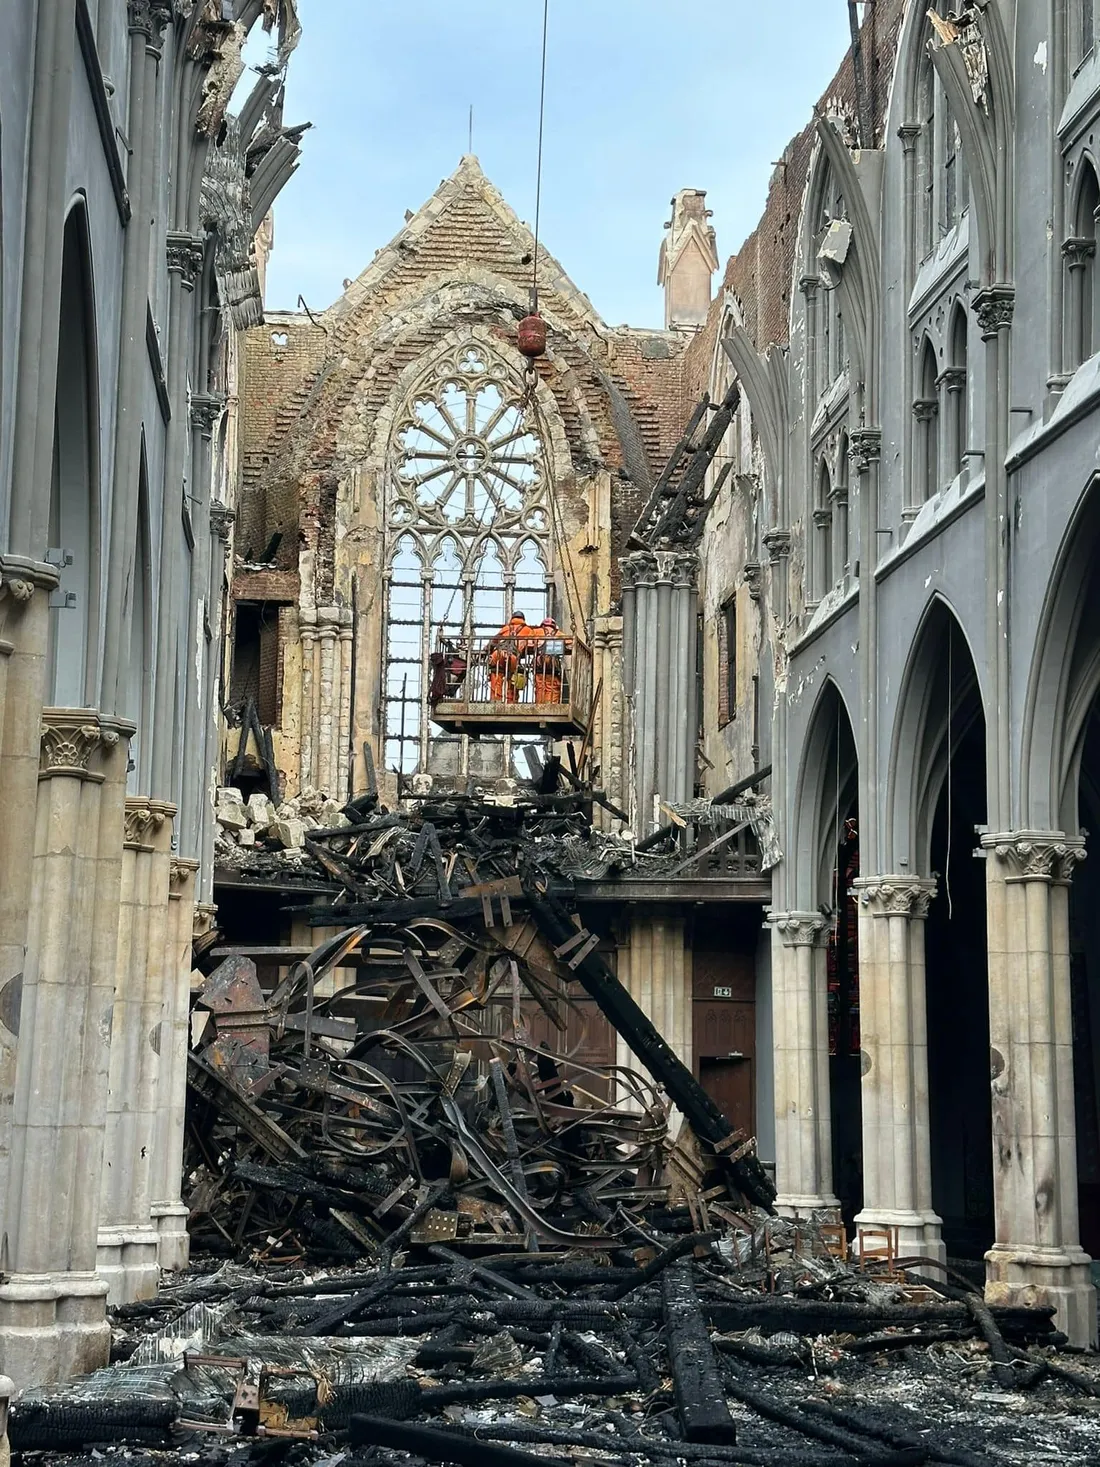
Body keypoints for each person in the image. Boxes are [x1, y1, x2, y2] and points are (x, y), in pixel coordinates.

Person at [487, 612, 527, 702]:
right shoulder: (527, 630)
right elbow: (533, 645)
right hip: (512, 655)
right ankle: (511, 702)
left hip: (497, 653)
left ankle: (495, 701)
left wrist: (486, 650)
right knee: (513, 677)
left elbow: (492, 642)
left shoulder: (505, 628)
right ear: (523, 620)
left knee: (496, 673)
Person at [532, 616, 564, 704]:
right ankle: (550, 705)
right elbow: (570, 642)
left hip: (539, 665)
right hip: (552, 666)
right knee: (553, 688)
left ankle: (540, 706)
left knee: (540, 687)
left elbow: (527, 642)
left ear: (542, 625)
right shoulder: (558, 634)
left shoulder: (536, 632)